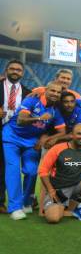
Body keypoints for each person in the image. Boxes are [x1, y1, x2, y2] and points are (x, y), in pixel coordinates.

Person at [3, 82, 66, 220]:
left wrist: (48, 138)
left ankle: (26, 202)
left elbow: (62, 131)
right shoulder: (32, 99)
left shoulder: (55, 111)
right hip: (12, 136)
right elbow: (20, 120)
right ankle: (15, 207)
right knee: (13, 169)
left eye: (58, 92)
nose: (55, 94)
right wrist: (38, 118)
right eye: (52, 91)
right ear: (45, 91)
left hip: (32, 142)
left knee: (31, 171)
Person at [38, 124, 81, 223]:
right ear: (71, 135)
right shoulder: (57, 149)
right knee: (53, 219)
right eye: (79, 134)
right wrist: (51, 190)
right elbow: (42, 171)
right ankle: (60, 206)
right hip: (58, 191)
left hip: (78, 191)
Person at [1, 59, 32, 213]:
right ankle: (1, 201)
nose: (15, 71)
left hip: (16, 132)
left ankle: (26, 201)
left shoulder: (28, 92)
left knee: (12, 167)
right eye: (12, 68)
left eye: (18, 70)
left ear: (22, 73)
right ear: (6, 70)